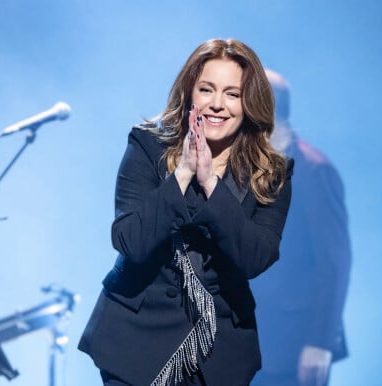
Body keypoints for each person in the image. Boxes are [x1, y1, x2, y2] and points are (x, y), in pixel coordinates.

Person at [78, 39, 293, 386]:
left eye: (232, 94)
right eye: (207, 89)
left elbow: (255, 258)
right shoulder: (147, 146)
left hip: (218, 353)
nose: (217, 105)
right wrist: (183, 175)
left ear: (249, 102)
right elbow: (130, 241)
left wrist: (211, 184)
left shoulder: (270, 172)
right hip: (136, 340)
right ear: (190, 92)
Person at [250, 69, 352, 386]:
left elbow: (334, 263)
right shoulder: (246, 164)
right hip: (248, 338)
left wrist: (320, 343)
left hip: (292, 344)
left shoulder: (314, 170)